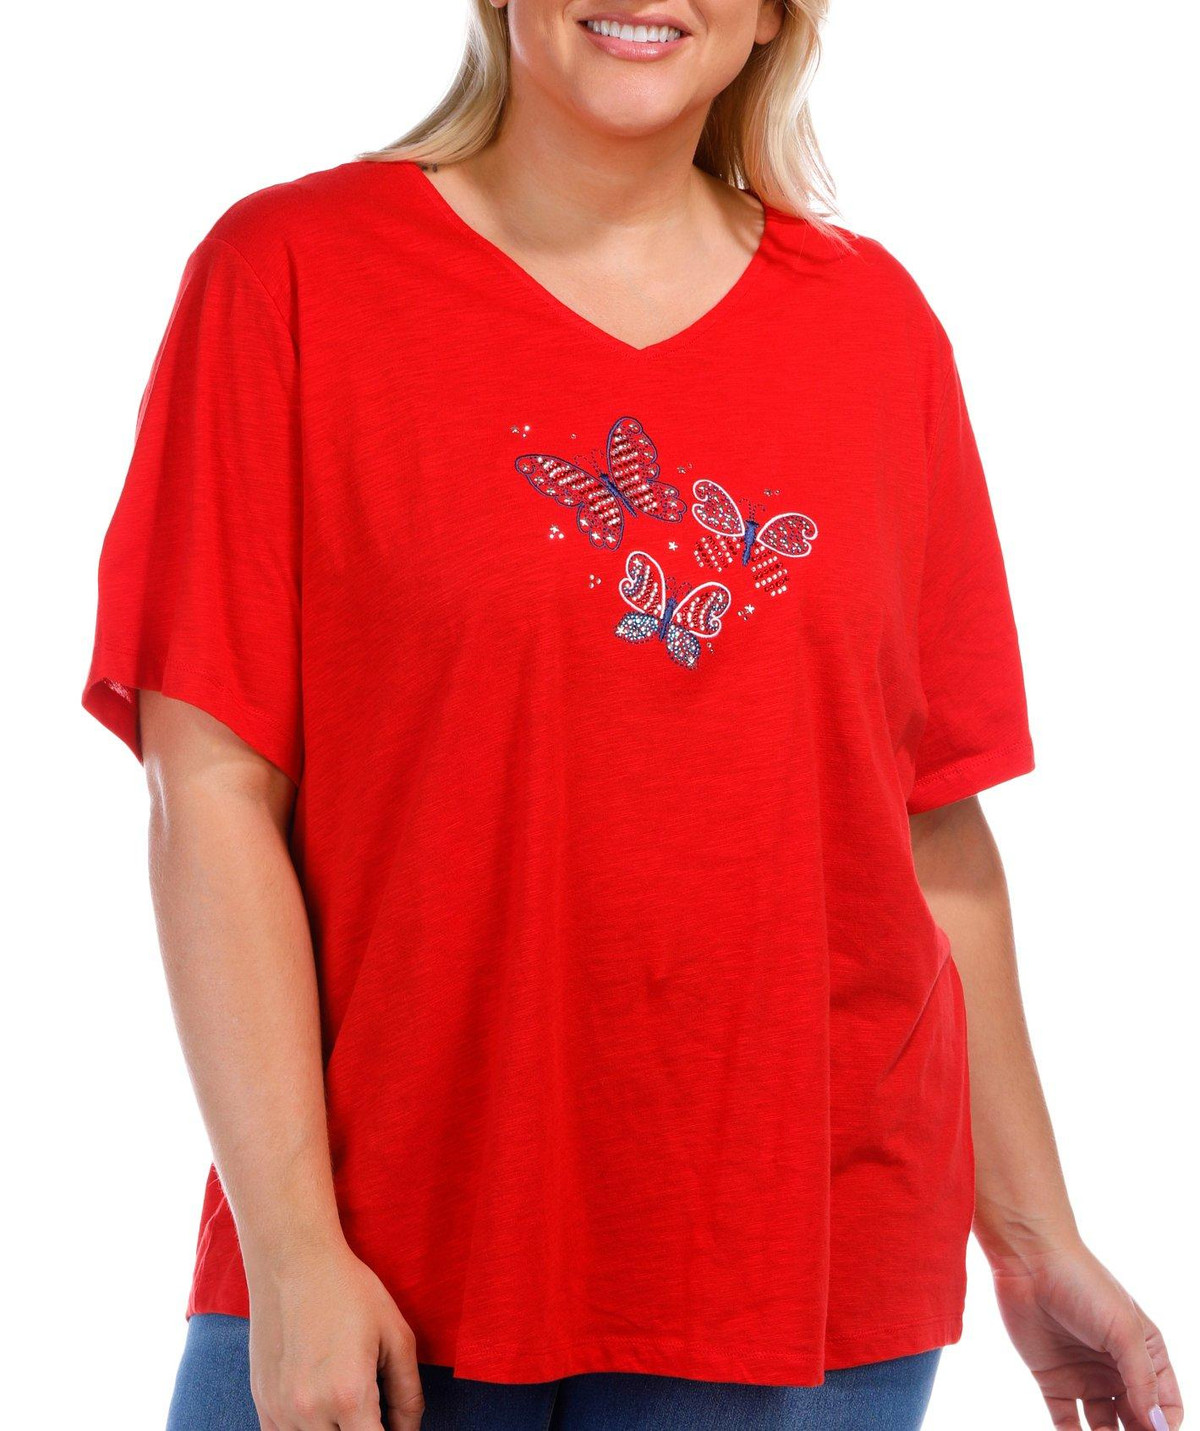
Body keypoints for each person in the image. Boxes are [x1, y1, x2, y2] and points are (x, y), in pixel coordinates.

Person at [82, 2, 1183, 1428]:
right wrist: (293, 1252)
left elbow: (926, 832)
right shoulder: (290, 276)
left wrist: (1034, 1239)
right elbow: (211, 788)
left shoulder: (875, 328)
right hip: (388, 1265)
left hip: (801, 1275)